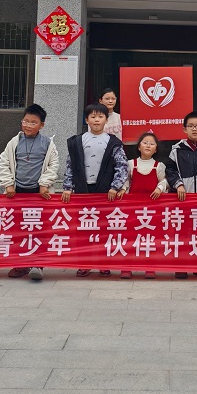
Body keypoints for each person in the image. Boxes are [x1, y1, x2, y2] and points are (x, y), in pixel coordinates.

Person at [63, 102, 128, 278]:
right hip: (83, 190)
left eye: (100, 116)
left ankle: (103, 264)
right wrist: (68, 187)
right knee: (84, 229)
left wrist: (115, 186)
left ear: (106, 119)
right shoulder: (77, 141)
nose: (97, 120)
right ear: (86, 120)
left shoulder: (113, 142)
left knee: (104, 229)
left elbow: (122, 166)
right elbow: (70, 165)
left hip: (105, 192)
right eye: (93, 116)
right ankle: (84, 264)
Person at [0, 103, 59, 281]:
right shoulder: (14, 142)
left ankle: (38, 264)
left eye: (33, 122)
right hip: (18, 193)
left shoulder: (48, 143)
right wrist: (8, 184)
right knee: (19, 230)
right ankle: (21, 264)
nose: (28, 125)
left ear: (42, 125)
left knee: (39, 229)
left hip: (39, 194)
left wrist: (44, 184)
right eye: (26, 121)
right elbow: (4, 163)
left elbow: (53, 165)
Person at [166, 111, 197, 279]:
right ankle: (181, 265)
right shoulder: (176, 149)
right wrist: (178, 184)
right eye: (191, 126)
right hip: (183, 198)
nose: (194, 129)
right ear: (184, 129)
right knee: (182, 232)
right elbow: (170, 170)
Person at [121, 131, 167, 280]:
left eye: (152, 144)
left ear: (156, 149)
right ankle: (126, 267)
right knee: (130, 238)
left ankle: (150, 267)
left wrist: (159, 188)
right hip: (132, 209)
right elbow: (126, 180)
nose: (148, 145)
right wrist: (123, 189)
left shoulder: (159, 166)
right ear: (139, 146)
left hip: (152, 210)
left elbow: (164, 181)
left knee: (150, 238)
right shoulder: (131, 164)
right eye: (145, 142)